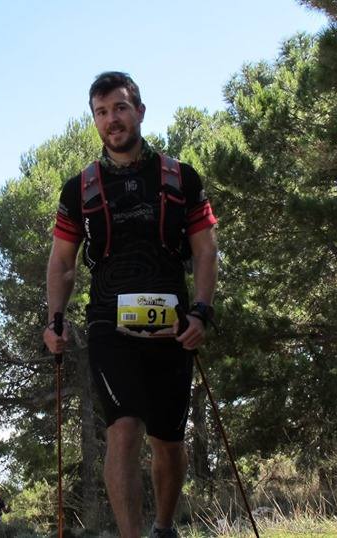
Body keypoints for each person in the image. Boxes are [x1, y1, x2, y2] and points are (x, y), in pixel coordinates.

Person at [42, 72, 218, 538]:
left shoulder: (181, 177)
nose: (111, 120)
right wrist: (55, 321)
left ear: (139, 111)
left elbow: (205, 249)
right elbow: (62, 261)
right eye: (101, 112)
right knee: (122, 428)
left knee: (168, 438)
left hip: (173, 324)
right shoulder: (78, 187)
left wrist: (202, 310)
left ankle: (163, 526)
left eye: (119, 108)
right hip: (107, 321)